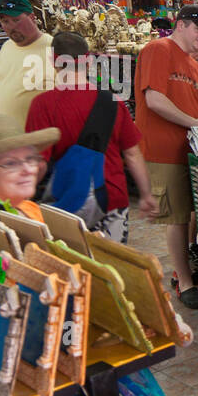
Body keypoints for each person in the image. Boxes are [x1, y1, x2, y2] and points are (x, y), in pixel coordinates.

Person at [26, 32, 157, 243]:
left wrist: (23, 197)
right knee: (114, 267)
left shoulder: (42, 105)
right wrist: (146, 194)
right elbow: (132, 154)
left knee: (77, 268)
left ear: (52, 60)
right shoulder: (113, 101)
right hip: (112, 198)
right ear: (88, 60)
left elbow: (38, 163)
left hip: (66, 202)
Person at [135, 5, 198, 309]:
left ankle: (187, 270)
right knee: (177, 217)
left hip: (189, 148)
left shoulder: (193, 65)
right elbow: (154, 99)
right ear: (181, 25)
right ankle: (183, 282)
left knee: (188, 214)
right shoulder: (159, 49)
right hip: (162, 149)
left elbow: (193, 109)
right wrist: (197, 123)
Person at [0, 0, 55, 125]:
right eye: (5, 21)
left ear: (31, 17)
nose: (11, 27)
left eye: (16, 20)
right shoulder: (6, 47)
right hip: (9, 136)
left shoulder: (54, 47)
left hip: (40, 136)